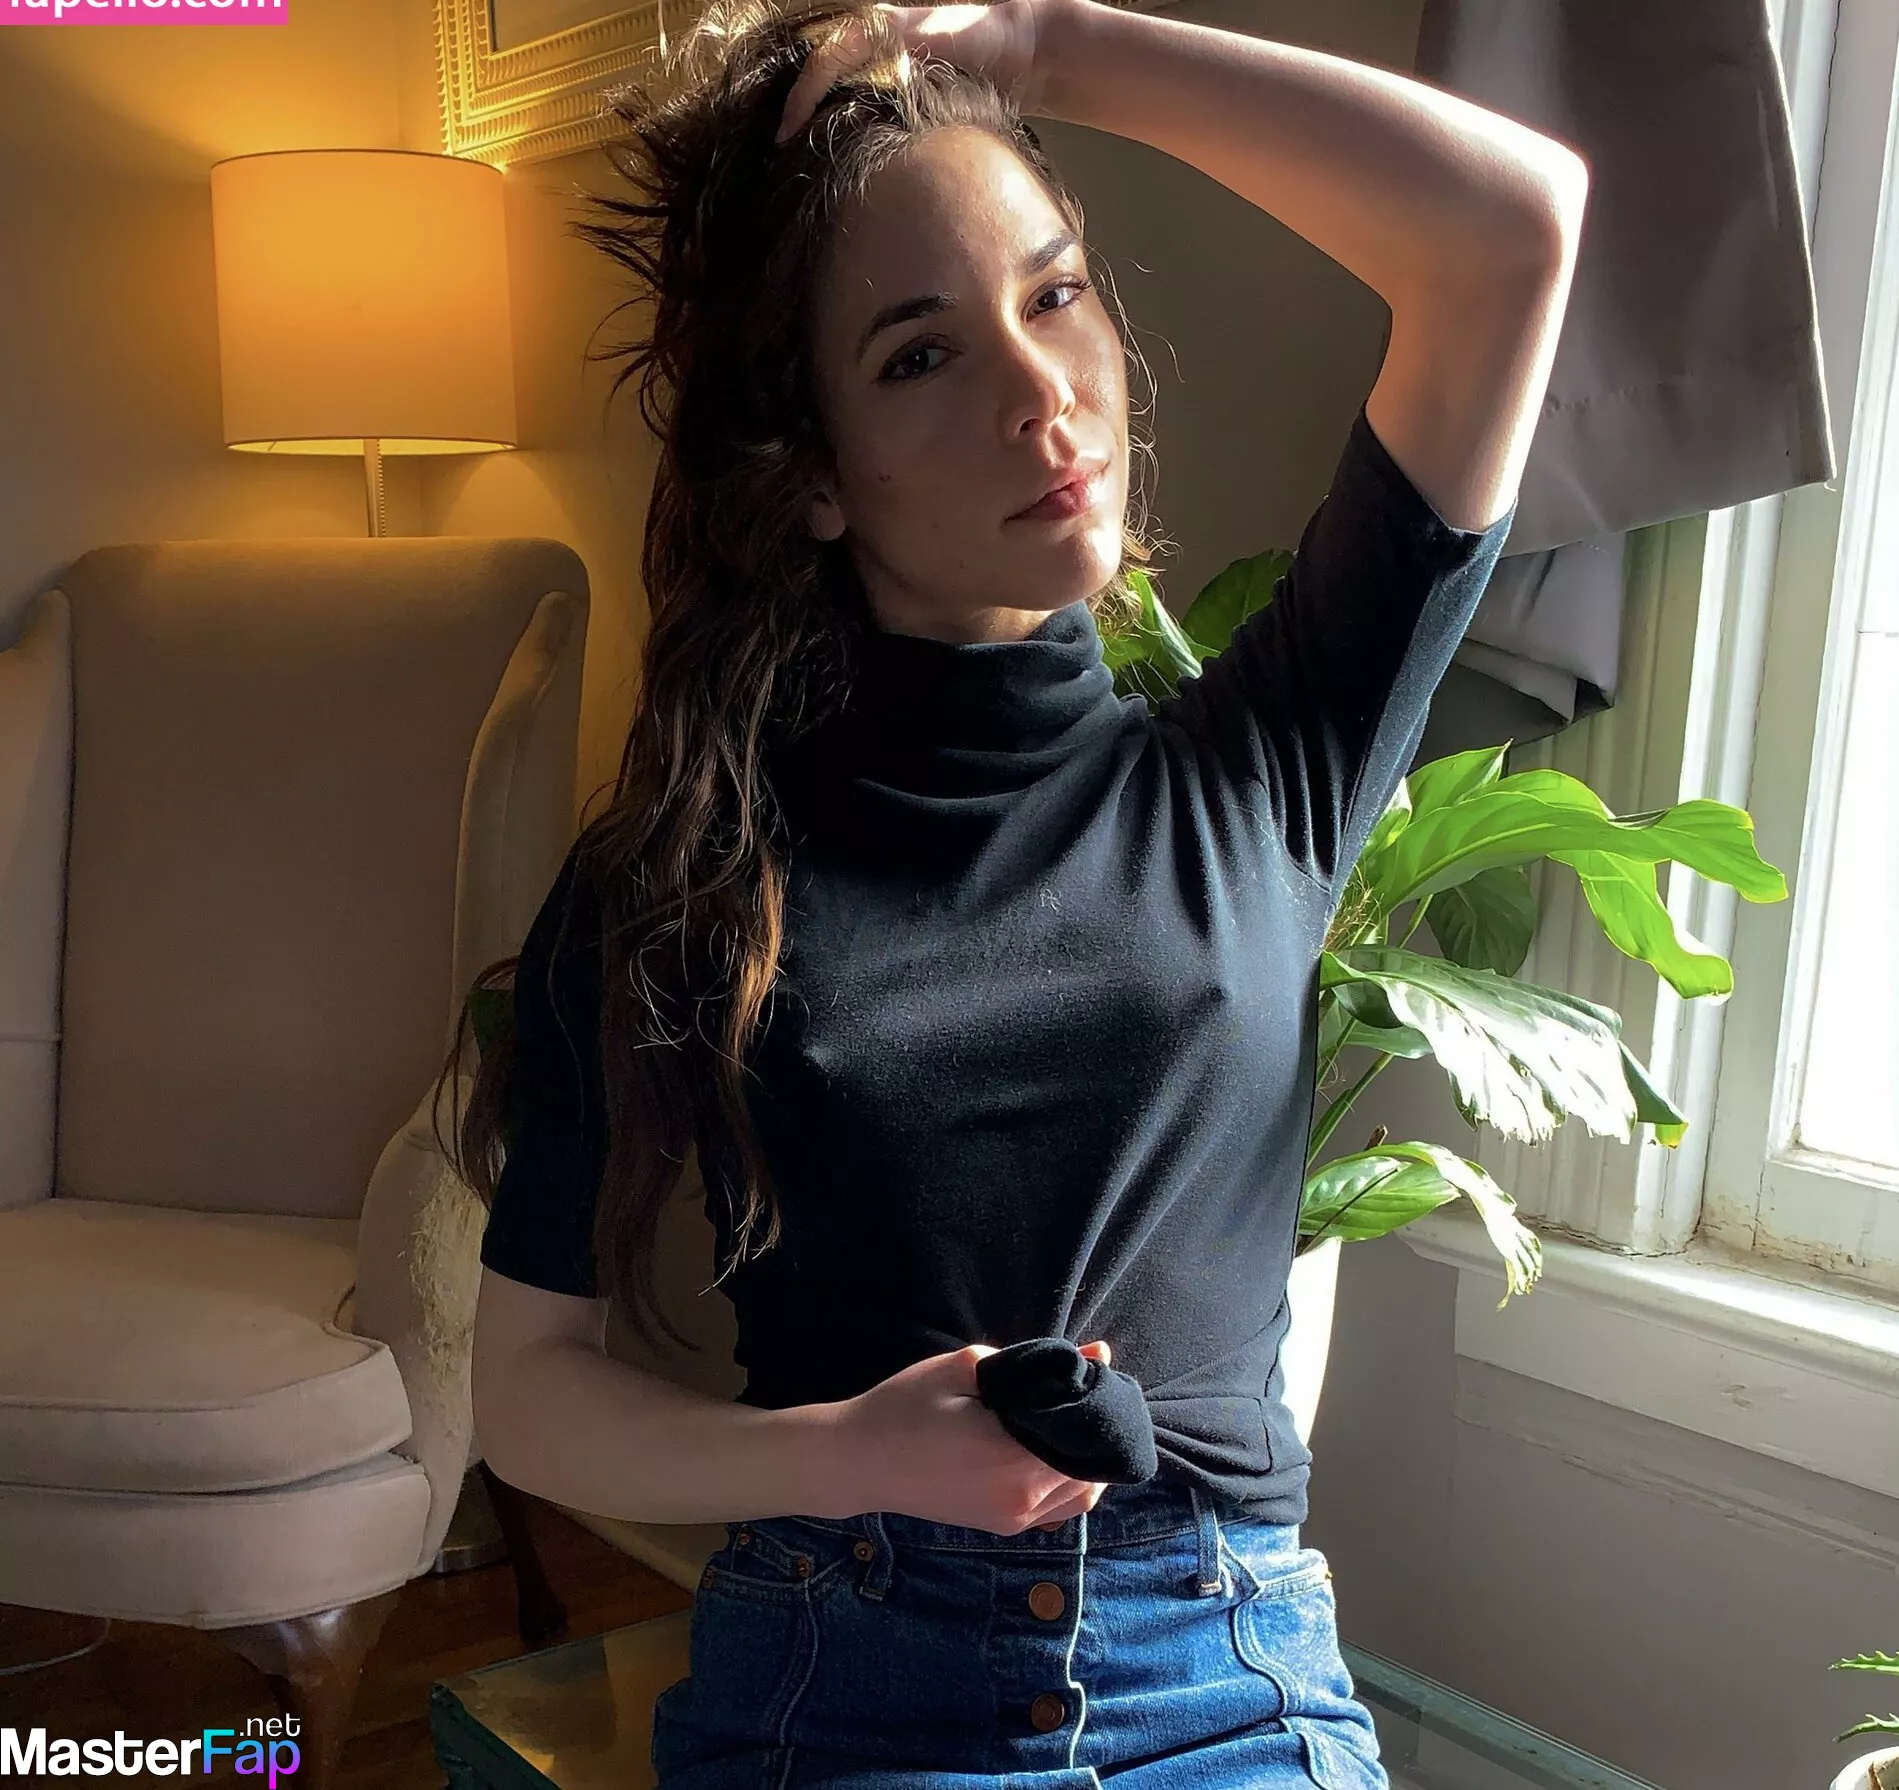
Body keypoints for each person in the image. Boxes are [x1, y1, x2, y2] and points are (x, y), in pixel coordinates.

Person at [440, 0, 1584, 1781]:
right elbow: (527, 1390)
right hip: (837, 1677)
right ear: (814, 476)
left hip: (1226, 1684)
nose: (1040, 392)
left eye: (1055, 296)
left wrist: (1040, 41)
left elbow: (1513, 230)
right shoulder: (684, 875)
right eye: (919, 355)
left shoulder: (1273, 761)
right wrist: (848, 1453)